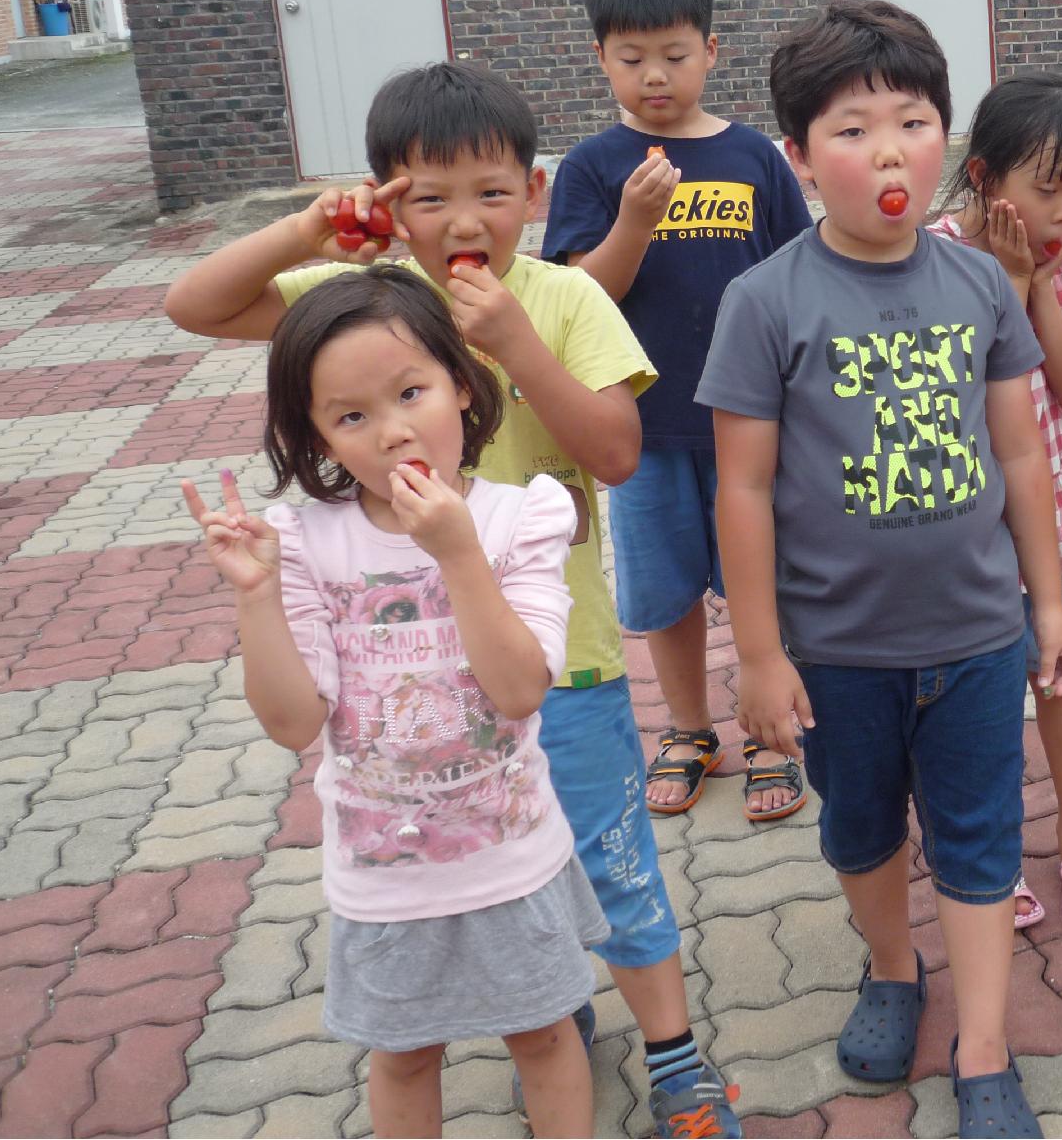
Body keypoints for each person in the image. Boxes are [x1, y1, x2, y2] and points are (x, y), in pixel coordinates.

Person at [163, 64, 740, 1136]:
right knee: (506, 871)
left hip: (557, 659)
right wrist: (304, 235)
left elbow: (617, 453)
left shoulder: (564, 296)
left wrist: (515, 340)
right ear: (386, 200)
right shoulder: (368, 311)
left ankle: (673, 1056)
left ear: (531, 189)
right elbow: (193, 305)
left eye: (489, 191)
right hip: (411, 684)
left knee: (610, 858)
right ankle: (555, 1019)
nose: (462, 220)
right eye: (427, 197)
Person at [698, 0, 1062, 1139]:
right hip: (835, 649)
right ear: (799, 157)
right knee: (859, 830)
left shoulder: (978, 286)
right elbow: (742, 490)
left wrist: (1049, 603)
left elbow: (1020, 453)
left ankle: (981, 1043)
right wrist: (759, 656)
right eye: (852, 130)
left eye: (910, 123)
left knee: (977, 835)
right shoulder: (762, 301)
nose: (885, 153)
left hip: (974, 633)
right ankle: (888, 969)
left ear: (945, 143)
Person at [180, 268, 601, 1138]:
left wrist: (455, 555)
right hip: (383, 877)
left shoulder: (521, 518)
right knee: (404, 1055)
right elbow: (295, 723)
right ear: (321, 437)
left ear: (463, 382)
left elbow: (522, 689)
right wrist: (256, 596)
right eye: (352, 416)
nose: (394, 431)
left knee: (545, 1038)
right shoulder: (306, 541)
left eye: (412, 391)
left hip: (510, 858)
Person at [543, 0, 813, 821]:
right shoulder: (593, 167)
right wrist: (633, 220)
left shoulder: (754, 159)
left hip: (752, 422)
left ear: (710, 51)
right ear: (601, 59)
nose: (654, 75)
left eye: (673, 54)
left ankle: (774, 728)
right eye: (631, 59)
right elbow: (583, 295)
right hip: (645, 428)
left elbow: (794, 276)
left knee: (760, 585)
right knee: (665, 593)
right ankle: (690, 727)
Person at [931, 73, 1062, 930]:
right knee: (975, 702)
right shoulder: (931, 251)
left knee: (1061, 681)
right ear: (984, 178)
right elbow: (968, 382)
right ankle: (990, 856)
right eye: (1048, 188)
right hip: (964, 516)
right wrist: (1006, 281)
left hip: (1054, 500)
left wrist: (1040, 281)